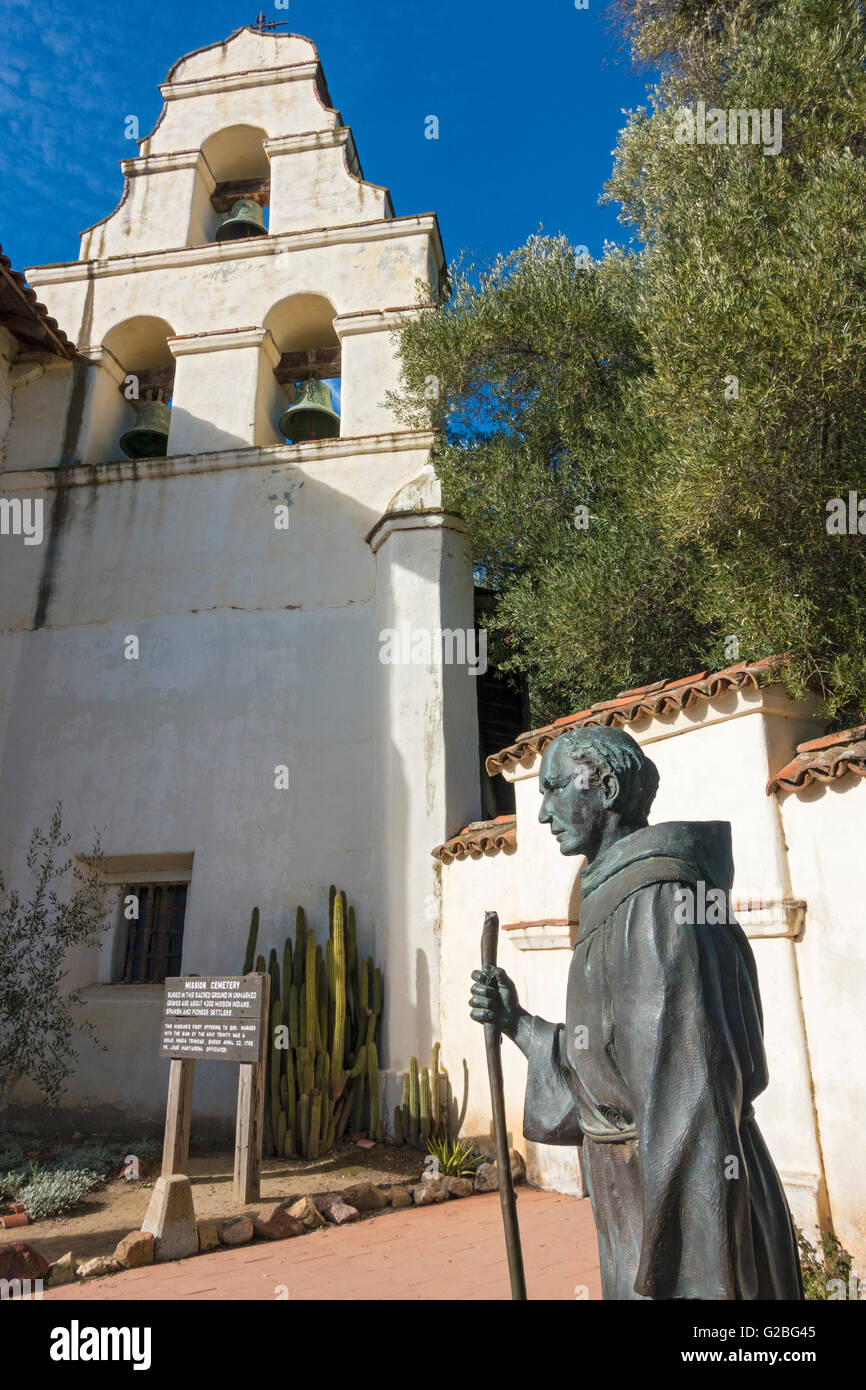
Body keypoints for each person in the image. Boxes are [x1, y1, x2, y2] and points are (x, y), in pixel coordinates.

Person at [469, 724, 803, 1300]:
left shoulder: (656, 907)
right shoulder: (621, 899)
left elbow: (689, 1109)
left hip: (681, 1212)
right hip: (639, 1192)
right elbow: (610, 1065)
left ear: (607, 789)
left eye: (553, 788)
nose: (543, 813)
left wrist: (698, 1284)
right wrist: (518, 1023)